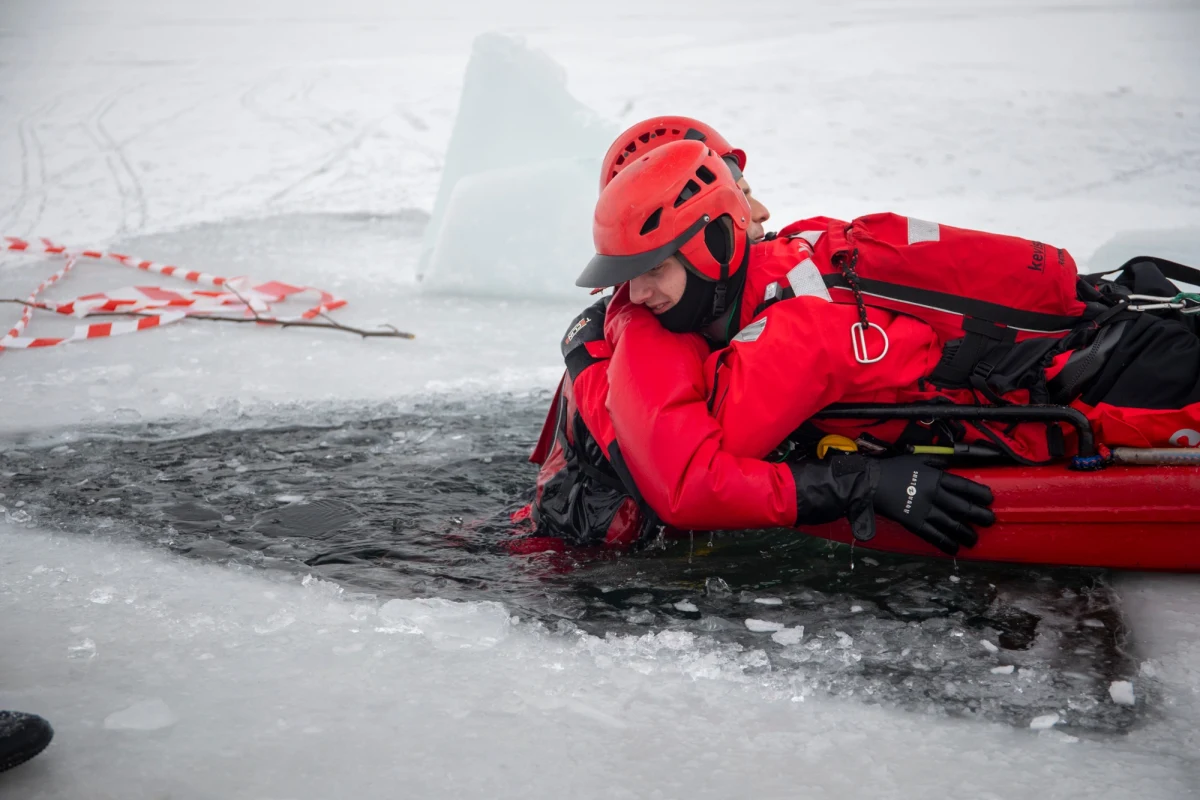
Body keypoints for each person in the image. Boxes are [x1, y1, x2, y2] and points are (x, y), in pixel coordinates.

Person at [563, 137, 1200, 554]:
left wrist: (857, 482)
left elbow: (689, 482)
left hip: (1106, 386)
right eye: (626, 280)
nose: (634, 297)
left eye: (652, 272)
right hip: (1105, 332)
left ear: (715, 247)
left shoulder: (791, 334)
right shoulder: (803, 251)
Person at [520, 116, 771, 549]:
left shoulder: (700, 308)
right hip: (579, 563)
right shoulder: (643, 334)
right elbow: (686, 481)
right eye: (741, 196)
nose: (761, 213)